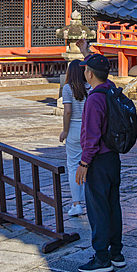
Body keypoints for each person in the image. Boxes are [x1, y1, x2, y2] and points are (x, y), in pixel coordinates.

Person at [75, 53, 124, 272]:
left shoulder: (95, 98)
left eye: (86, 69)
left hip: (98, 159)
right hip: (113, 157)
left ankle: (102, 257)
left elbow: (92, 135)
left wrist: (84, 163)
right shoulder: (111, 89)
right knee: (113, 205)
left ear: (90, 73)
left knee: (98, 208)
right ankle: (116, 252)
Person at [59, 60, 89, 217]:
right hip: (89, 128)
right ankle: (90, 201)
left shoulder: (67, 88)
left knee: (72, 166)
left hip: (74, 128)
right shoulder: (90, 87)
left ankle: (76, 203)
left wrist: (65, 131)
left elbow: (68, 111)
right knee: (90, 163)